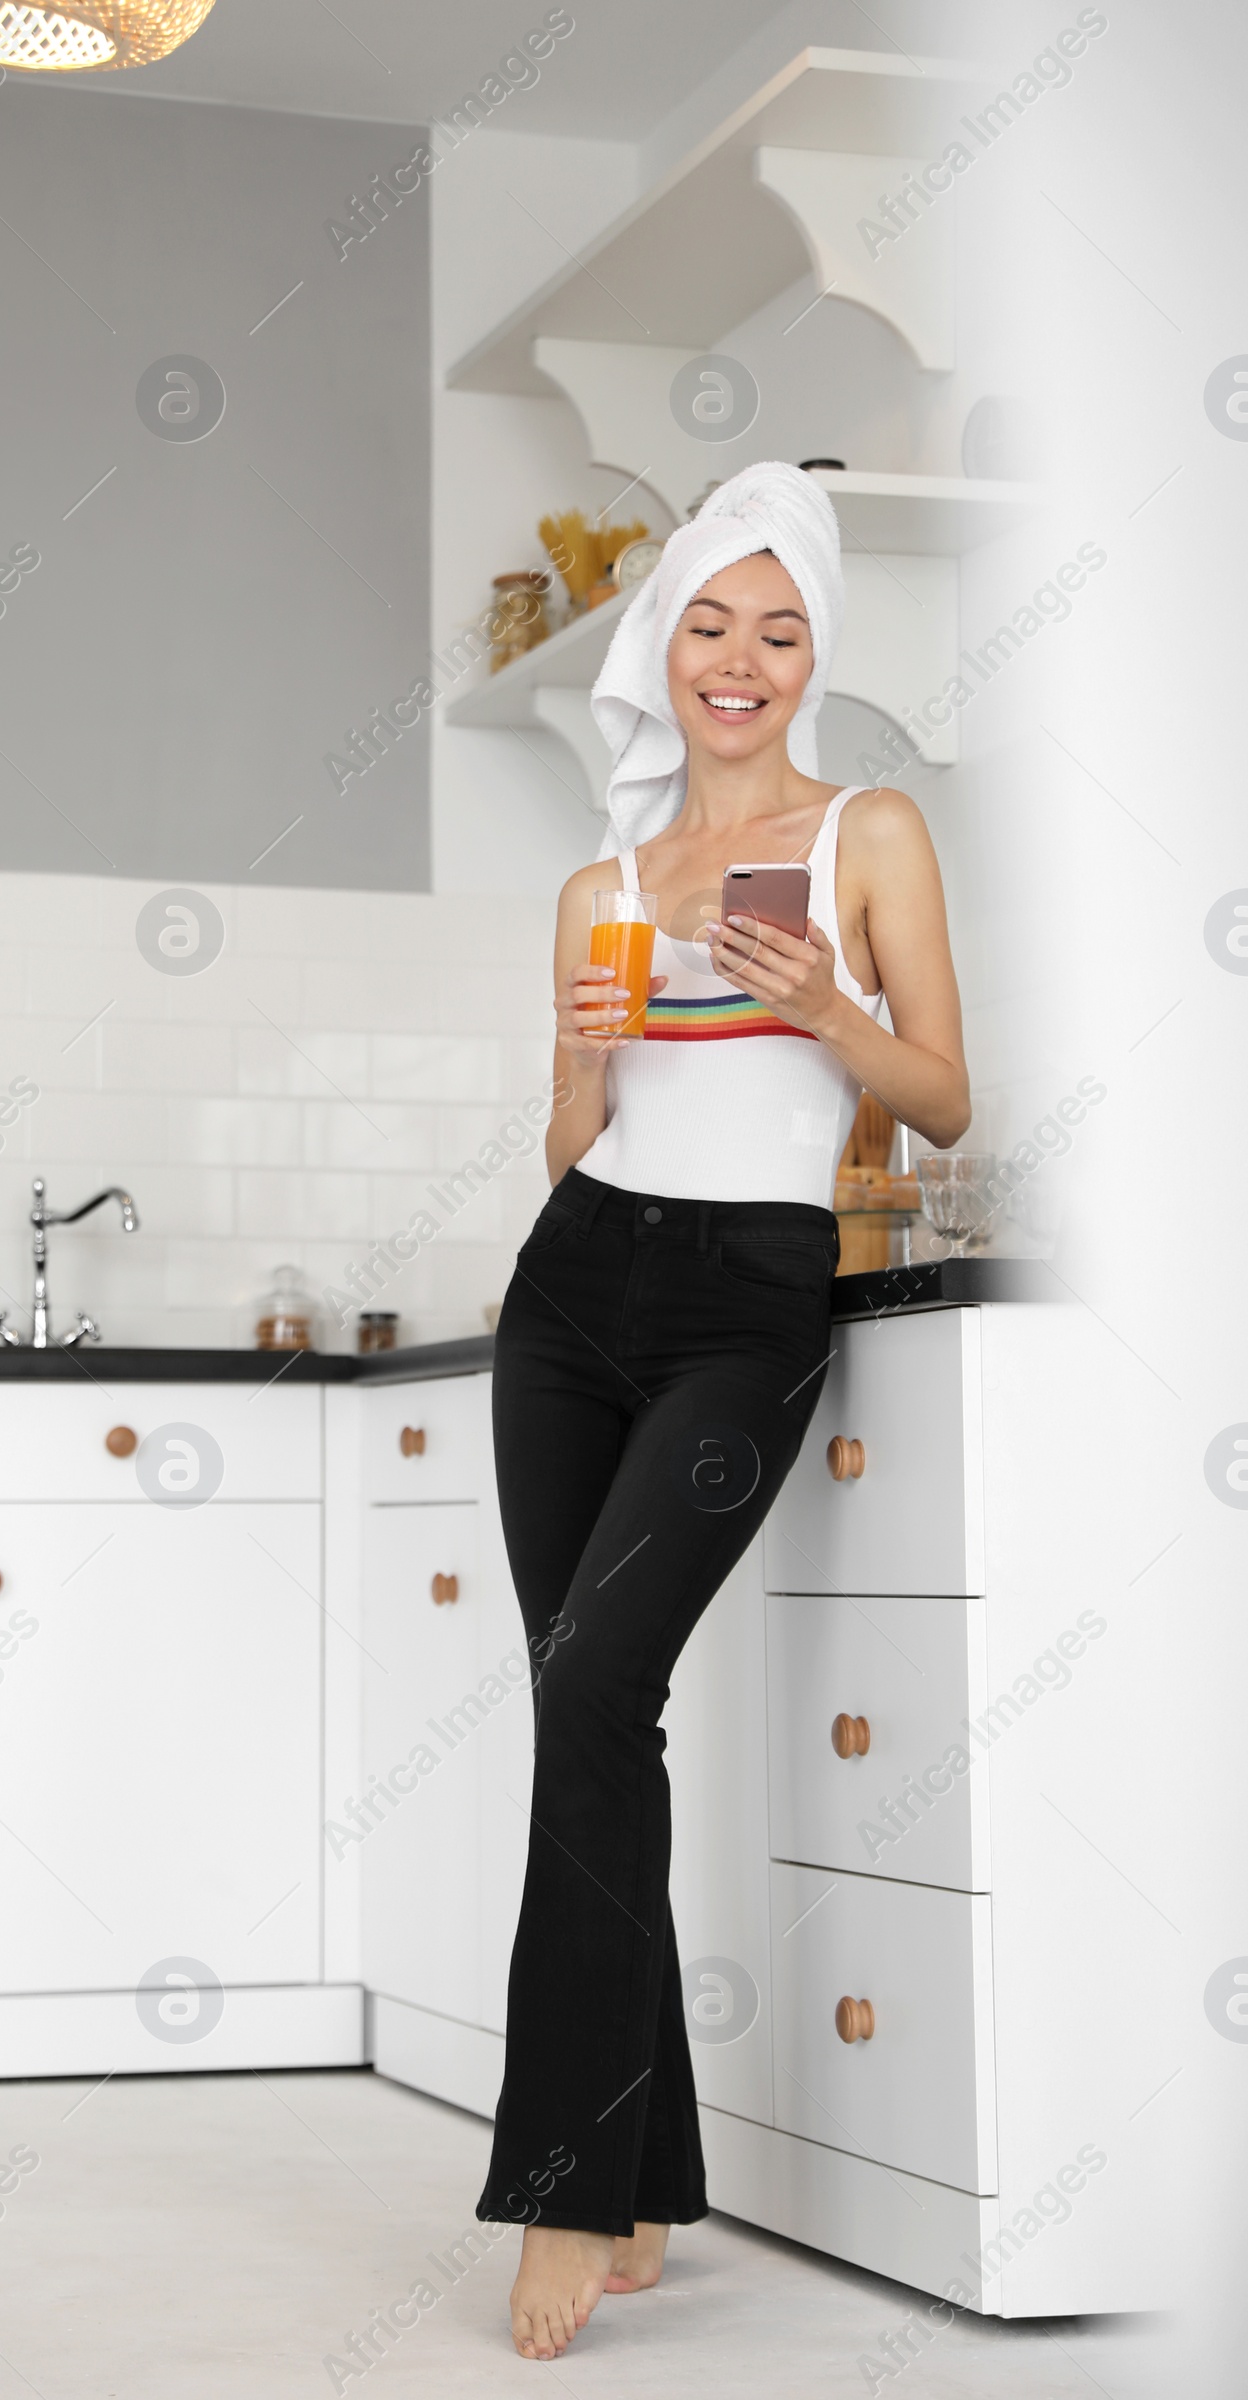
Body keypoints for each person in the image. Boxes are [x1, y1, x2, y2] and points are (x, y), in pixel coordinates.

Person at [475, 462, 971, 2362]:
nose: (739, 660)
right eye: (708, 622)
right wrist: (586, 1068)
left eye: (779, 629)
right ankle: (649, 2156)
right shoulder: (603, 884)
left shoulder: (870, 833)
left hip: (745, 1297)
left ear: (813, 656)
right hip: (576, 1284)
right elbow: (565, 1143)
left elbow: (942, 1098)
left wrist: (823, 1007)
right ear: (658, 651)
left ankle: (569, 2185)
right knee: (589, 1706)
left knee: (599, 1690)